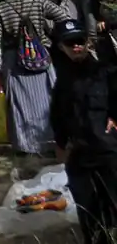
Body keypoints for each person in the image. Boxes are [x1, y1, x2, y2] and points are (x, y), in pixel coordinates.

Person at [0, 0, 70, 156]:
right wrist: (53, 38)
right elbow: (63, 17)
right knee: (47, 100)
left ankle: (26, 147)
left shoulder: (1, 9)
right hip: (41, 56)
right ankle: (50, 142)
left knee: (20, 104)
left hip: (14, 60)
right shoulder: (39, 3)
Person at [49, 17, 117, 244]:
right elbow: (57, 114)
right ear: (61, 47)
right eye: (70, 43)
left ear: (88, 42)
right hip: (79, 155)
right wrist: (60, 143)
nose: (76, 46)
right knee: (88, 209)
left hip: (108, 151)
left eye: (80, 41)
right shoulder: (62, 80)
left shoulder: (105, 71)